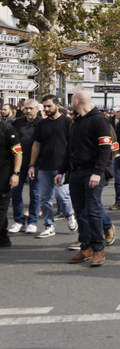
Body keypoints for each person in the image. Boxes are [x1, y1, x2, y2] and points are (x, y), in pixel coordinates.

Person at [57, 91, 114, 267]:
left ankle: (99, 249)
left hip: (92, 173)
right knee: (80, 211)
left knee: (93, 211)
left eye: (71, 100)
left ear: (76, 101)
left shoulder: (99, 120)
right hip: (76, 173)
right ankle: (86, 247)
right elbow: (70, 150)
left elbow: (106, 149)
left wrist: (98, 171)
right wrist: (62, 170)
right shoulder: (76, 122)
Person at [28, 95, 77, 237]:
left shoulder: (68, 122)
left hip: (61, 167)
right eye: (45, 106)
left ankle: (69, 214)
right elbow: (36, 145)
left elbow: (73, 145)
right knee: (44, 198)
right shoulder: (42, 124)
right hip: (44, 167)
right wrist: (32, 165)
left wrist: (70, 164)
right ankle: (49, 225)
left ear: (58, 105)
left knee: (62, 196)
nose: (46, 109)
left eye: (49, 106)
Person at [9, 100, 41, 235]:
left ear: (37, 110)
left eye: (31, 108)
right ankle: (18, 220)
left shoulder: (42, 123)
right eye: (26, 108)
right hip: (18, 164)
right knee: (16, 192)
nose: (28, 111)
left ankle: (33, 221)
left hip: (36, 165)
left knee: (35, 194)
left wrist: (34, 165)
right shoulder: (17, 123)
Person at [0, 118, 22, 247]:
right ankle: (3, 238)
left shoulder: (7, 129)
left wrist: (16, 173)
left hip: (4, 176)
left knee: (1, 207)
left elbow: (18, 153)